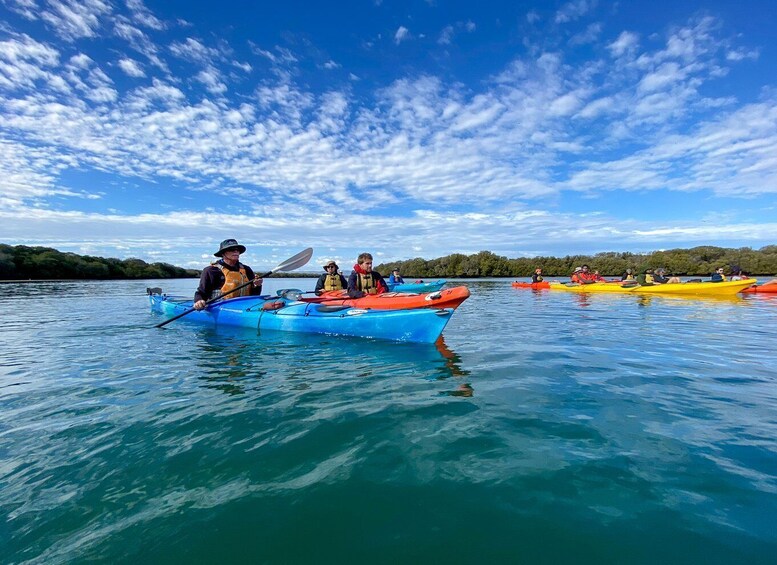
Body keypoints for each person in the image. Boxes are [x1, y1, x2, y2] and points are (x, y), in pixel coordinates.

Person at [194, 239, 263, 310]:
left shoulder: (247, 269)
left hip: (245, 307)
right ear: (223, 253)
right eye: (231, 249)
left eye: (237, 250)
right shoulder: (210, 270)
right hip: (220, 308)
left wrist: (257, 285)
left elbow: (255, 295)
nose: (236, 251)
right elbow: (201, 293)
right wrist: (199, 301)